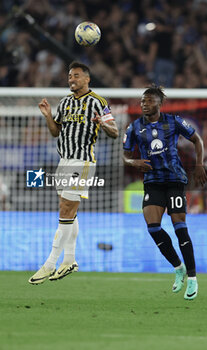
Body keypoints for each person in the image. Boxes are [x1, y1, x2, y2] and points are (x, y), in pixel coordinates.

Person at [29, 61, 119, 284]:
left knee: (66, 208)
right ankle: (69, 260)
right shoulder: (65, 102)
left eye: (76, 76)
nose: (72, 79)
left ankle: (50, 263)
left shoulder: (98, 102)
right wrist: (48, 115)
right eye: (70, 76)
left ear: (87, 79)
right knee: (69, 210)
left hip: (82, 162)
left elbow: (115, 132)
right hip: (64, 161)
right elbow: (55, 132)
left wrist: (102, 124)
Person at [123, 85, 207, 300]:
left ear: (159, 104)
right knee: (153, 228)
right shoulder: (134, 127)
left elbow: (197, 139)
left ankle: (192, 278)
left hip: (174, 180)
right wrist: (133, 161)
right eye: (142, 101)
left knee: (180, 228)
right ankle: (177, 267)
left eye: (149, 100)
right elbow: (124, 154)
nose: (144, 103)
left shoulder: (173, 121)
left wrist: (199, 165)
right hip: (152, 182)